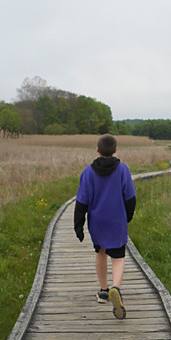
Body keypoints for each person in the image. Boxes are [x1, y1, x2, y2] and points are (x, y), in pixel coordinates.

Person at [74, 134, 136, 319]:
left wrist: (78, 225)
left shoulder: (88, 172)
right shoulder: (123, 170)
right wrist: (128, 216)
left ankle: (103, 291)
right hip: (117, 220)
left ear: (97, 150)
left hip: (97, 221)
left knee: (100, 252)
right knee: (118, 257)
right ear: (115, 150)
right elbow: (130, 198)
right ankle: (115, 287)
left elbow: (81, 202)